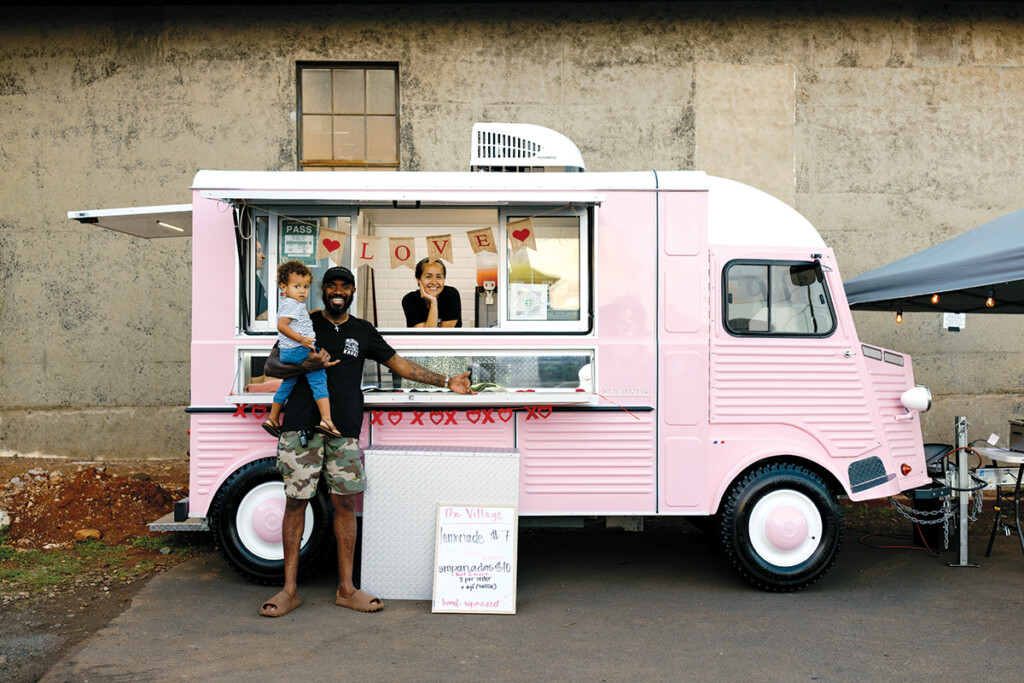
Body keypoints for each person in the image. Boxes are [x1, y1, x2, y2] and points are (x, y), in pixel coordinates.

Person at [258, 265, 474, 617]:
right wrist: (308, 364)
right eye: (331, 285)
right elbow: (272, 366)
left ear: (353, 291)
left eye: (345, 285)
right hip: (300, 427)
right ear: (323, 290)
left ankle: (346, 589)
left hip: (343, 432)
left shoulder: (363, 330)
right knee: (296, 504)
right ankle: (289, 590)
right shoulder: (303, 321)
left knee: (345, 505)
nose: (338, 291)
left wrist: (446, 381)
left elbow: (400, 365)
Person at [261, 261, 341, 439]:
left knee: (288, 382)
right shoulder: (291, 305)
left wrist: (307, 315)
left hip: (288, 352)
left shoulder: (290, 304)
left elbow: (293, 320)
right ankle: (327, 420)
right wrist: (302, 339)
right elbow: (282, 325)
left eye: (305, 286)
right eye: (296, 286)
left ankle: (272, 418)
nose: (302, 291)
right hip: (298, 349)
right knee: (319, 379)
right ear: (284, 286)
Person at [401, 258, 462, 328]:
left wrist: (433, 302)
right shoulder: (410, 300)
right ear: (418, 279)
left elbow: (444, 335)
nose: (434, 282)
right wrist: (433, 302)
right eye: (428, 277)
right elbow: (425, 336)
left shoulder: (451, 295)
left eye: (439, 277)